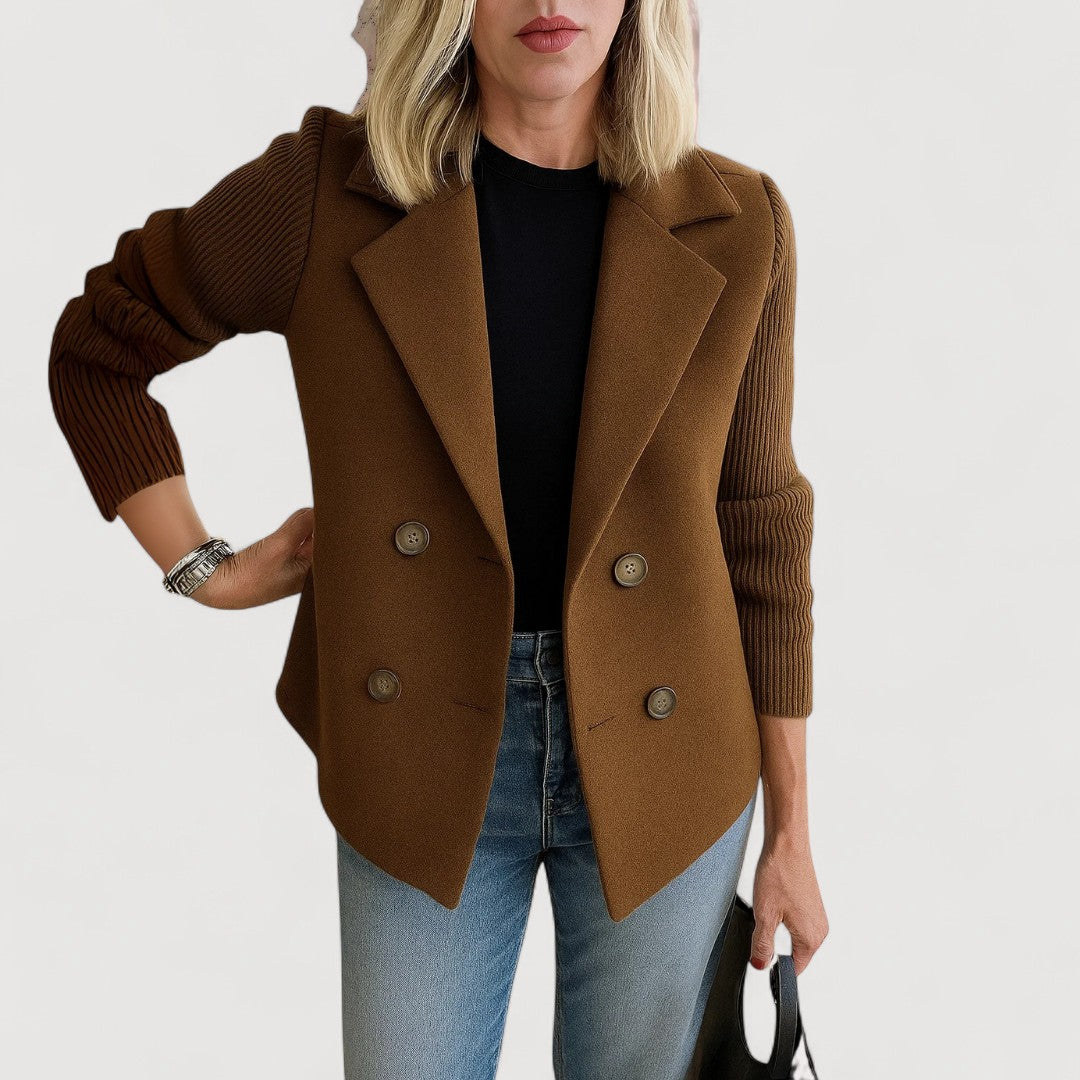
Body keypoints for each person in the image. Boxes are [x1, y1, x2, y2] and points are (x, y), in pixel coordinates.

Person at [47, 1, 828, 1077]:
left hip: (672, 753)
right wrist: (203, 568)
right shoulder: (326, 193)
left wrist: (792, 831)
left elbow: (763, 524)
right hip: (417, 748)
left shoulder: (739, 222)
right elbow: (101, 343)